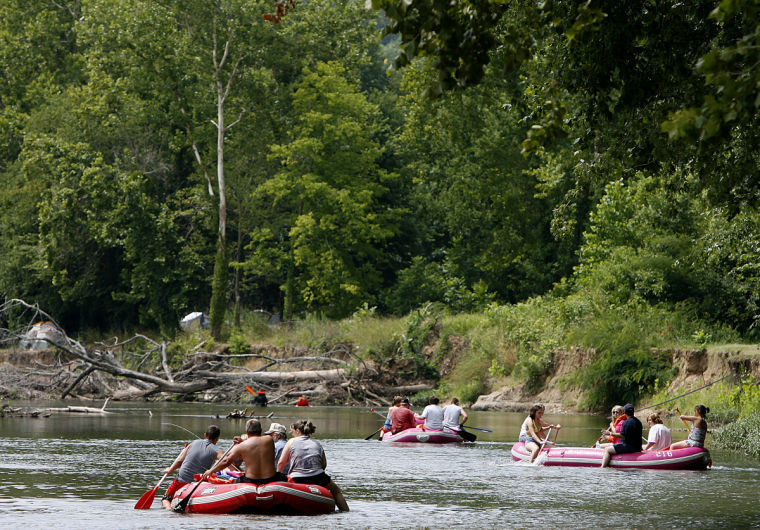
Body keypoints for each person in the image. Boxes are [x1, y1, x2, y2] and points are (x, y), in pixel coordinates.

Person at [277, 420, 349, 512]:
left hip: (297, 478)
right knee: (336, 491)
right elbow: (324, 464)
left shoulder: (291, 441)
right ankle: (346, 512)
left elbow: (281, 463)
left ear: (298, 431)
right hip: (318, 477)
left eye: (293, 432)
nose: (292, 434)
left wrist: (278, 477)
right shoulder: (317, 443)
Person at [203, 419, 286, 485]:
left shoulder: (241, 446)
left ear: (247, 431)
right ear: (260, 430)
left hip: (251, 480)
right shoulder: (269, 440)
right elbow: (256, 445)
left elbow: (226, 461)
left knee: (232, 481)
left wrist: (211, 471)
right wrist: (242, 441)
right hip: (271, 478)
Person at [161, 425, 225, 508]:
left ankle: (168, 508)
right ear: (218, 438)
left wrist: (170, 470)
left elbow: (180, 461)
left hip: (181, 480)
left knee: (165, 498)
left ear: (205, 435)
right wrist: (213, 470)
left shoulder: (192, 443)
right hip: (196, 483)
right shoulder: (217, 451)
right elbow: (226, 460)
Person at [601, 403, 642, 468]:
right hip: (638, 447)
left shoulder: (626, 422)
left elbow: (622, 435)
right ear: (633, 412)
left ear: (624, 412)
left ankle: (602, 467)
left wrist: (610, 433)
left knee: (607, 450)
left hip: (628, 447)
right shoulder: (638, 422)